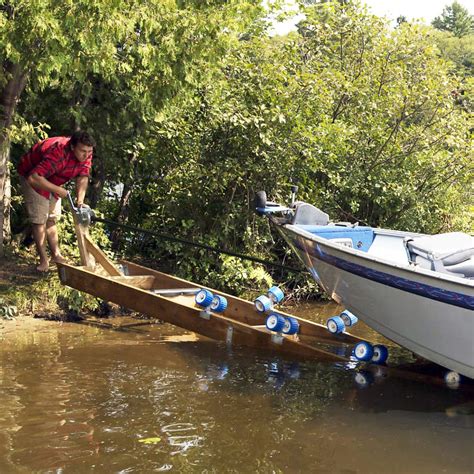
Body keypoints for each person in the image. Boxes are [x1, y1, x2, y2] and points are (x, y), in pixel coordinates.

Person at [17, 131, 95, 272]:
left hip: (52, 178)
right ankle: (43, 261)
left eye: (89, 151)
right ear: (72, 147)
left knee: (52, 217)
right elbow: (34, 178)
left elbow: (83, 176)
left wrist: (80, 201)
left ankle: (56, 256)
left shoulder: (86, 154)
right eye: (83, 151)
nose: (87, 155)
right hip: (32, 176)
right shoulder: (58, 152)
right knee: (40, 218)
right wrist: (58, 190)